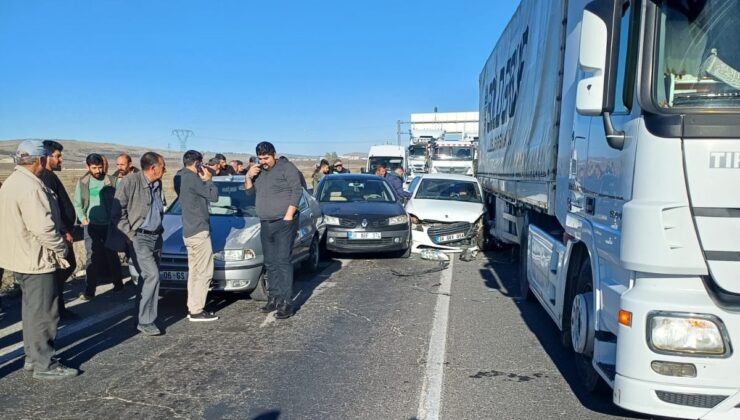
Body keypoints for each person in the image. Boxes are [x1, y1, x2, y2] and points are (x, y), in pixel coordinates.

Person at [0, 140, 77, 379]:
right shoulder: (32, 187)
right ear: (40, 160)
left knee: (32, 311)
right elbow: (43, 228)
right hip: (37, 259)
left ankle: (33, 358)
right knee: (45, 312)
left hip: (19, 258)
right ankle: (44, 364)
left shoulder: (12, 183)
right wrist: (61, 248)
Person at [108, 152, 167, 336]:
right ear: (153, 168)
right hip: (138, 237)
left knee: (145, 278)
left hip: (156, 237)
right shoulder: (130, 182)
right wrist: (130, 234)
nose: (165, 170)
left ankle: (139, 317)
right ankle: (146, 321)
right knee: (152, 276)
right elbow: (117, 212)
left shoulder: (158, 183)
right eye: (163, 166)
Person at [245, 141, 303, 319]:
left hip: (284, 221)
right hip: (265, 222)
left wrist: (288, 215)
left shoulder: (287, 167)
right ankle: (274, 298)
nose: (263, 161)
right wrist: (248, 177)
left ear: (274, 155)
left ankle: (286, 303)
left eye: (266, 158)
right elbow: (249, 194)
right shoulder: (258, 171)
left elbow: (297, 191)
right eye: (260, 158)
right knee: (270, 262)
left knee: (282, 261)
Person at [175, 151, 219, 322]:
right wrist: (208, 179)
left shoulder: (180, 177)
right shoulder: (192, 179)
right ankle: (197, 310)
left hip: (188, 230)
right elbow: (213, 196)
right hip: (199, 230)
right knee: (204, 271)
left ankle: (192, 306)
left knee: (194, 272)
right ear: (197, 163)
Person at [38, 141, 79, 319]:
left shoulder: (50, 176)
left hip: (63, 231)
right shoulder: (46, 177)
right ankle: (56, 309)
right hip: (60, 233)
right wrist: (63, 230)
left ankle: (57, 307)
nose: (61, 160)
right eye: (57, 156)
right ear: (46, 157)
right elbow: (51, 208)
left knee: (62, 271)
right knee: (61, 271)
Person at [74, 153, 122, 300]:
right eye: (94, 168)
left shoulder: (112, 181)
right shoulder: (83, 182)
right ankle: (89, 291)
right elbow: (77, 203)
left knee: (111, 255)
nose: (98, 171)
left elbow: (120, 201)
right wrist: (82, 219)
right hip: (91, 226)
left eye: (100, 167)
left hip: (108, 225)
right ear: (87, 167)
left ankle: (118, 284)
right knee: (91, 258)